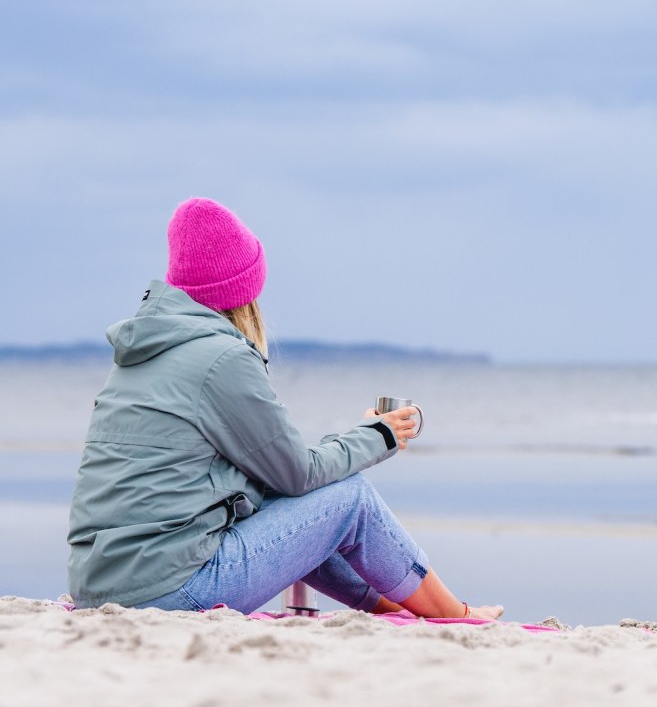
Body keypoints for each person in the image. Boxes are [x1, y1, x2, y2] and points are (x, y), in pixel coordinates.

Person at [67, 197, 503, 622]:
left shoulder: (144, 353)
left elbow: (279, 484)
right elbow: (297, 474)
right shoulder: (221, 358)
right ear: (243, 290)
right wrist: (379, 435)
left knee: (288, 503)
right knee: (348, 498)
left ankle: (394, 605)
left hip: (100, 586)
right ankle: (455, 614)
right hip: (170, 591)